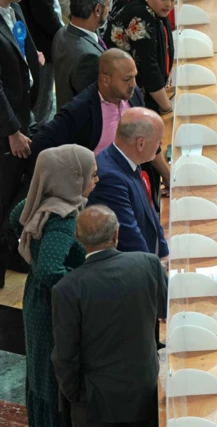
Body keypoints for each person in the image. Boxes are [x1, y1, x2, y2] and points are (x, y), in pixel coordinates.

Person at [51, 205, 167, 427]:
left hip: (97, 403)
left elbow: (65, 356)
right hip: (145, 390)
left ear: (78, 238)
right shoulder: (148, 264)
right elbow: (166, 311)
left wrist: (78, 396)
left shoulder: (66, 289)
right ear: (116, 234)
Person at [9, 145, 98, 427]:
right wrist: (82, 282)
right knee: (52, 374)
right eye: (92, 175)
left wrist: (33, 255)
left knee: (40, 371)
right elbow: (50, 270)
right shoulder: (62, 217)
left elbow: (16, 218)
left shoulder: (41, 200)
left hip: (35, 296)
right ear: (72, 178)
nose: (96, 179)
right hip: (52, 307)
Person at [30, 48, 171, 209]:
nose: (133, 84)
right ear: (105, 80)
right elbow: (40, 146)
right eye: (127, 79)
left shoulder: (133, 95)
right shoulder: (80, 110)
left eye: (134, 77)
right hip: (101, 199)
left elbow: (148, 138)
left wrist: (167, 176)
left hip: (135, 186)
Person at [87, 107, 169, 261]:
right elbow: (129, 236)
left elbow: (150, 214)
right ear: (140, 144)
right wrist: (155, 270)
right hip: (136, 270)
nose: (161, 144)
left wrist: (164, 253)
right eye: (159, 140)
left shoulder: (129, 158)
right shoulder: (110, 179)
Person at [0, 0, 43, 287]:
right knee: (4, 196)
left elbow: (23, 45)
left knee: (19, 190)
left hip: (25, 112)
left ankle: (12, 252)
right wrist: (12, 131)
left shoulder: (14, 9)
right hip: (7, 127)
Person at [104, 0, 174, 114]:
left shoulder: (155, 10)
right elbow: (148, 69)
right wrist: (167, 108)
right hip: (124, 95)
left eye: (173, 0)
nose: (169, 4)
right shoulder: (141, 15)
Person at [52, 0, 110, 111]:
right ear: (98, 10)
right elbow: (94, 104)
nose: (110, 10)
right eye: (107, 5)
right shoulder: (89, 56)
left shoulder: (62, 32)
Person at [18, 0, 63, 125]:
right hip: (41, 47)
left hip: (39, 44)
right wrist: (63, 33)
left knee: (44, 100)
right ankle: (37, 137)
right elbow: (44, 14)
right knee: (41, 102)